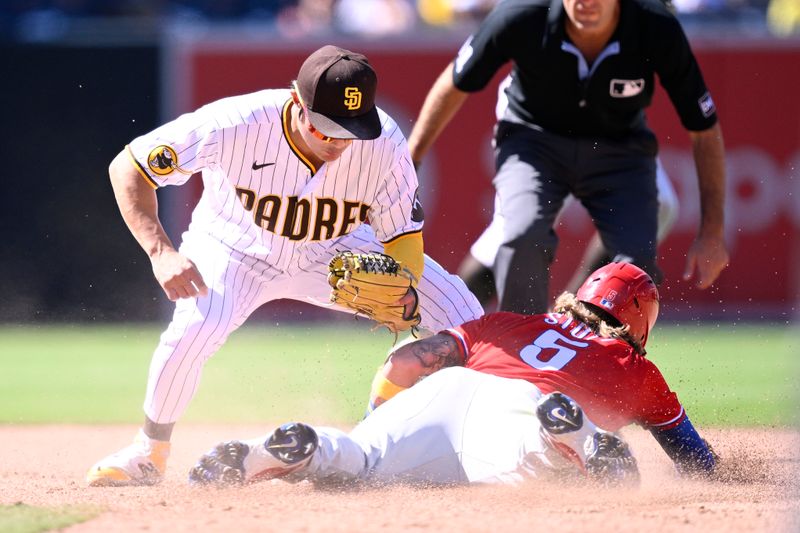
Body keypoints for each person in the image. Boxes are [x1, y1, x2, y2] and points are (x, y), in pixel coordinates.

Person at [86, 45, 483, 487]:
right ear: (297, 101)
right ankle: (148, 454)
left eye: (351, 129)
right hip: (235, 249)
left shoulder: (383, 143)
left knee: (464, 315)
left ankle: (460, 434)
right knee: (197, 327)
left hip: (336, 251)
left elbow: (402, 236)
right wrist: (161, 252)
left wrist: (404, 284)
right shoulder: (235, 122)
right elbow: (130, 166)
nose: (339, 141)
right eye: (328, 128)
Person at [188, 262, 716, 488]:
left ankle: (300, 448)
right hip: (525, 410)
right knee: (552, 460)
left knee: (362, 463)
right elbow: (696, 461)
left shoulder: (507, 320)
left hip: (449, 388)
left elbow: (405, 362)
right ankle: (571, 434)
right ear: (639, 319)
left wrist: (385, 422)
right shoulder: (637, 368)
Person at [407, 0, 729, 315]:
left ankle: (586, 336)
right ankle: (516, 347)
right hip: (534, 136)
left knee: (635, 268)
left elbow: (703, 127)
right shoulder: (524, 12)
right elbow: (455, 81)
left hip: (619, 143)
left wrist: (713, 231)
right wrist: (410, 161)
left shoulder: (655, 24)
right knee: (519, 236)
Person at [459, 156, 680, 308]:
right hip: (541, 114)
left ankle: (569, 317)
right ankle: (448, 325)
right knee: (513, 234)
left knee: (655, 202)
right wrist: (421, 144)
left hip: (610, 113)